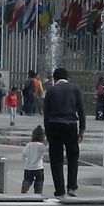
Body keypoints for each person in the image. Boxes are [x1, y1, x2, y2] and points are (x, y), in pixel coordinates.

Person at [42, 66, 86, 197]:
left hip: (54, 125)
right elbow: (81, 110)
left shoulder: (51, 90)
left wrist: (47, 132)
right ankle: (72, 187)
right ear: (67, 77)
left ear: (54, 79)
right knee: (73, 156)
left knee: (56, 159)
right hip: (71, 125)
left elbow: (46, 112)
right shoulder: (75, 89)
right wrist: (82, 129)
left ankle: (59, 190)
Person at [20, 125, 48, 195]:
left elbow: (24, 154)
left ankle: (24, 189)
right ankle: (38, 194)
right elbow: (47, 149)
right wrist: (46, 142)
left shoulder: (28, 145)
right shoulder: (41, 146)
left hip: (28, 168)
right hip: (39, 168)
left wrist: (26, 161)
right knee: (39, 182)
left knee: (27, 180)